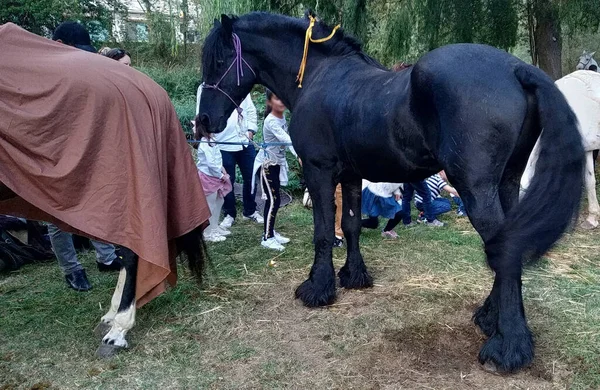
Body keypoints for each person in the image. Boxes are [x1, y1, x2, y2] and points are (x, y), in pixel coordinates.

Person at [48, 21, 122, 292]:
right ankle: (72, 269)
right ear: (60, 45)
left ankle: (106, 257)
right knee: (57, 214)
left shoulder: (80, 69)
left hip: (82, 148)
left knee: (94, 202)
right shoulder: (45, 69)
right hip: (52, 153)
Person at [196, 86, 263, 228]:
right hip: (223, 143)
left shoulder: (241, 84)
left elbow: (250, 110)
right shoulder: (205, 88)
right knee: (227, 181)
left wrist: (251, 130)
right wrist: (209, 136)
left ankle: (250, 211)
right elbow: (201, 113)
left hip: (244, 142)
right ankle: (229, 214)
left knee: (251, 178)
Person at [254, 90, 297, 251]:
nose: (281, 102)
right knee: (272, 200)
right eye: (277, 99)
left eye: (282, 98)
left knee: (275, 199)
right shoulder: (271, 121)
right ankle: (267, 237)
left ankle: (270, 230)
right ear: (270, 102)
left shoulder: (281, 117)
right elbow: (285, 139)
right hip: (267, 164)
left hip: (276, 163)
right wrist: (299, 154)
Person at [193, 118, 233, 242]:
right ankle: (208, 232)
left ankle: (215, 227)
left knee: (219, 201)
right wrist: (221, 175)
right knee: (210, 205)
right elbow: (210, 164)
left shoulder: (213, 140)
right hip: (208, 177)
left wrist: (222, 169)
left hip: (216, 175)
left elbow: (217, 157)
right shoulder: (205, 142)